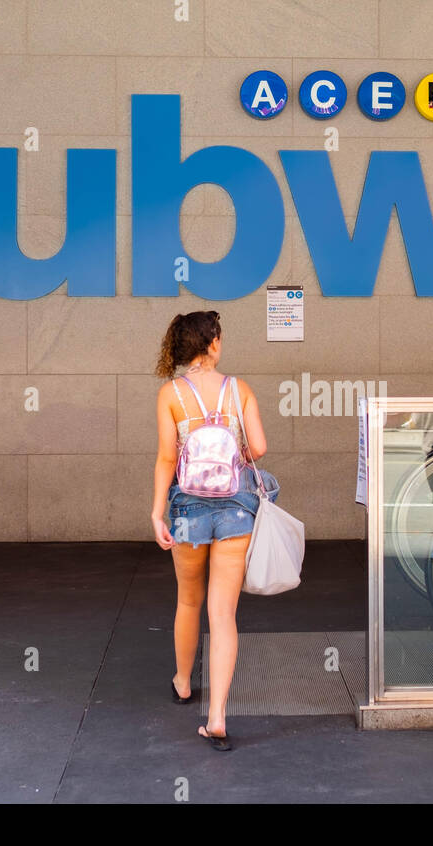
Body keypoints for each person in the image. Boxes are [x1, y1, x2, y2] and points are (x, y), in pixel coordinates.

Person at [150, 310, 276, 752]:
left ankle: (183, 682)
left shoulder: (171, 394)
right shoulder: (238, 390)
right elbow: (258, 447)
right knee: (222, 613)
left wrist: (156, 513)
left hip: (186, 506)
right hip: (236, 507)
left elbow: (167, 457)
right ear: (213, 344)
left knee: (188, 598)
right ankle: (218, 716)